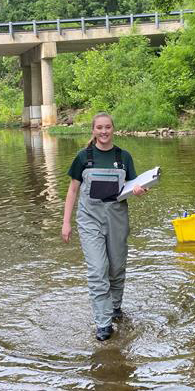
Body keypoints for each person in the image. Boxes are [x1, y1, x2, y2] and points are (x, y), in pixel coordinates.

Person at [62, 112, 147, 342]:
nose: (103, 131)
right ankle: (103, 323)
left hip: (117, 219)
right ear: (93, 130)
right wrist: (66, 222)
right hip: (89, 220)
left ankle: (116, 307)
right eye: (99, 127)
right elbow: (72, 191)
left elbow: (132, 185)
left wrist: (138, 190)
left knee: (117, 268)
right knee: (98, 271)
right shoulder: (83, 157)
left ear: (113, 129)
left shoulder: (124, 157)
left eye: (107, 127)